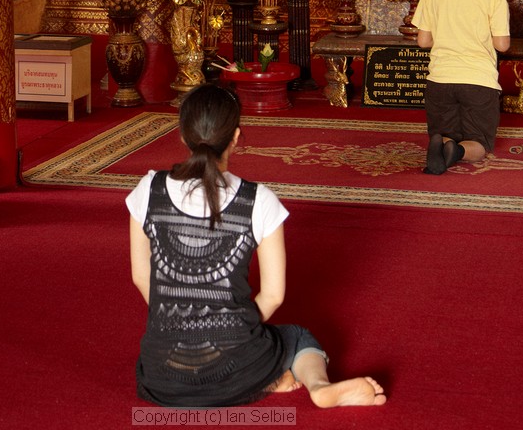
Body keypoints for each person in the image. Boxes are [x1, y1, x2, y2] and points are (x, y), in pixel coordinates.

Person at [126, 83, 386, 409]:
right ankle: (317, 385)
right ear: (235, 137)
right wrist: (232, 327)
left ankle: (269, 378)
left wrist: (182, 321)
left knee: (180, 349)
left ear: (182, 135)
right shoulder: (257, 201)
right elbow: (274, 296)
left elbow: (141, 276)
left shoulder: (149, 189)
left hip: (162, 379)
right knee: (297, 336)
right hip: (238, 367)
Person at [413, 0, 511, 174]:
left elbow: (423, 42)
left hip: (440, 80)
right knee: (479, 143)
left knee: (446, 133)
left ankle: (444, 145)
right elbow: (502, 45)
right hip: (479, 80)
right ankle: (457, 153)